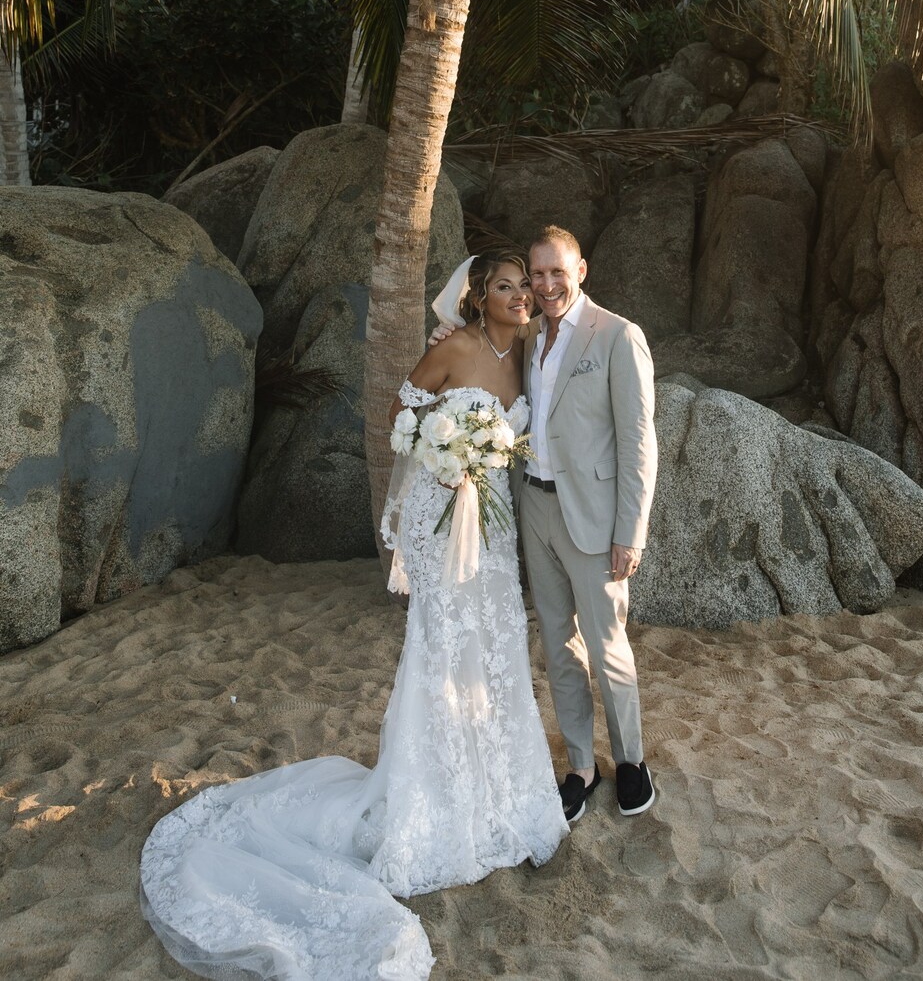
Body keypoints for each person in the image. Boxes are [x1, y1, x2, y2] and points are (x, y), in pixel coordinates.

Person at [139, 252, 568, 981]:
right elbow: (404, 418)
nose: (521, 296)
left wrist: (483, 459)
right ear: (477, 298)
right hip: (442, 515)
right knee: (441, 647)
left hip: (493, 528)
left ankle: (499, 790)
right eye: (506, 286)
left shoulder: (527, 354)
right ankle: (431, 798)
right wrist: (445, 454)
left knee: (494, 644)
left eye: (525, 287)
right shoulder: (451, 350)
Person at [432, 225, 657, 824]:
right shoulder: (530, 337)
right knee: (558, 643)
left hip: (595, 515)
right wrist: (443, 333)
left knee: (608, 647)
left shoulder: (617, 335)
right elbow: (481, 347)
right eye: (538, 274)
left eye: (559, 272)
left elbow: (639, 443)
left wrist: (630, 532)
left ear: (581, 271)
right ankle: (581, 764)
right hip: (534, 507)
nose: (547, 284)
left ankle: (632, 760)